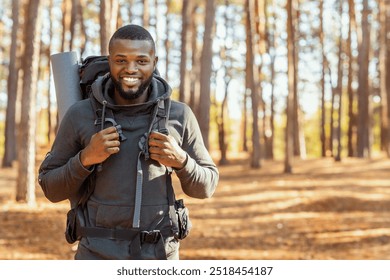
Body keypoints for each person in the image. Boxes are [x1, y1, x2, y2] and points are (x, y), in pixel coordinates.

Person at [38, 24, 219, 260]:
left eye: (141, 61)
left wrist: (182, 161)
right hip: (95, 257)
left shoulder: (179, 115)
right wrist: (85, 159)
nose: (130, 69)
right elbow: (50, 188)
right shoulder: (80, 115)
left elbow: (207, 187)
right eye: (121, 60)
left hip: (160, 256)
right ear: (110, 60)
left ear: (154, 61)